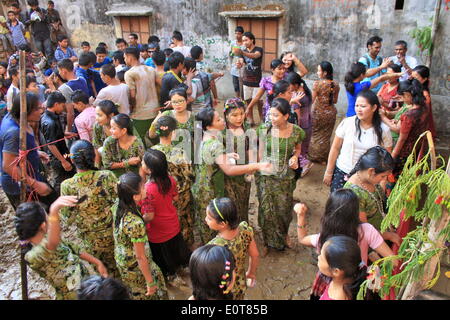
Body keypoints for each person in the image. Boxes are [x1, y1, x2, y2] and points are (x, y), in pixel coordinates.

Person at [295, 189, 396, 299]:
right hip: (356, 279)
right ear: (355, 212)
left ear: (329, 211)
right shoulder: (366, 230)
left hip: (331, 279)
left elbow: (303, 239)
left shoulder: (326, 237)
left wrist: (301, 216)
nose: (319, 257)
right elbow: (393, 260)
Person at [193, 107, 271, 244]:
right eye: (218, 119)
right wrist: (256, 166)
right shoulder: (215, 144)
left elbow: (210, 158)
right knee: (212, 224)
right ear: (209, 126)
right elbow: (229, 169)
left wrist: (225, 156)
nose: (222, 120)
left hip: (202, 187)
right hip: (209, 190)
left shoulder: (206, 137)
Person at [15, 197, 108, 300]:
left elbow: (75, 250)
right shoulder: (32, 256)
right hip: (73, 295)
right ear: (43, 225)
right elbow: (51, 244)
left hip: (86, 282)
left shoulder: (50, 237)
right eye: (48, 218)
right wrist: (54, 211)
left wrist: (98, 262)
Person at [60, 140, 120, 278]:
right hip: (114, 233)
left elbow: (67, 219)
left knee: (105, 273)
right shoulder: (106, 176)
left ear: (72, 160)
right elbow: (119, 201)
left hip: (91, 241)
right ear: (94, 156)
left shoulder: (67, 186)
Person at [256, 98, 304, 252]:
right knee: (266, 209)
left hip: (285, 178)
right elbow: (260, 152)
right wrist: (258, 169)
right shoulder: (264, 129)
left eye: (275, 115)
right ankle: (266, 241)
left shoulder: (296, 131)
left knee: (283, 210)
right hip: (266, 177)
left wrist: (295, 157)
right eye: (270, 115)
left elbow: (297, 149)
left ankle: (283, 235)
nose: (272, 119)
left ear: (286, 116)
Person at [112, 172, 168, 300]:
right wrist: (150, 282)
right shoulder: (135, 223)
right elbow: (140, 257)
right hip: (136, 267)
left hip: (123, 261)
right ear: (135, 196)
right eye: (143, 187)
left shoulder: (118, 205)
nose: (146, 188)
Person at [324, 90, 393, 192]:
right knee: (338, 204)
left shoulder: (384, 130)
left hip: (367, 178)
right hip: (342, 171)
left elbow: (386, 158)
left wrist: (382, 182)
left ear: (374, 108)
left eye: (363, 106)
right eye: (357, 106)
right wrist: (329, 171)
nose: (359, 109)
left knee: (359, 206)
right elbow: (335, 148)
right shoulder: (347, 123)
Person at [139, 149, 191, 283]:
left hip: (158, 233)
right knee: (177, 250)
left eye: (143, 162)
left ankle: (172, 275)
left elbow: (149, 216)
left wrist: (140, 220)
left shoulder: (147, 190)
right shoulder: (170, 180)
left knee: (164, 258)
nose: (141, 163)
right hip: (173, 225)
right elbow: (176, 197)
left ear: (149, 170)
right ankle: (184, 267)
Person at [0, 93, 56, 209]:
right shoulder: (13, 132)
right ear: (26, 111)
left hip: (32, 175)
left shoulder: (15, 118)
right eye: (37, 109)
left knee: (52, 205)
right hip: (21, 185)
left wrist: (34, 153)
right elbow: (8, 166)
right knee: (36, 221)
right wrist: (35, 185)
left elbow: (18, 150)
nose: (41, 111)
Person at [150, 116, 194, 247]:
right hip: (180, 195)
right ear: (173, 132)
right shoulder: (179, 152)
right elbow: (190, 175)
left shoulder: (152, 152)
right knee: (184, 222)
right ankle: (186, 249)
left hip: (160, 195)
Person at [344, 147, 400, 243]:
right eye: (383, 176)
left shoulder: (370, 180)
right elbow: (364, 231)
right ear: (371, 171)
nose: (384, 179)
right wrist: (390, 236)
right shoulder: (354, 194)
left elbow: (379, 205)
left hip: (381, 231)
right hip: (371, 243)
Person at [206, 197, 259, 300]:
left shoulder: (214, 247)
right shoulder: (244, 229)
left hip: (225, 290)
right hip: (240, 282)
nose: (205, 220)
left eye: (209, 218)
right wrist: (251, 273)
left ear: (222, 224)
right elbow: (255, 255)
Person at [222, 98, 253, 223]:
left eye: (242, 114)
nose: (239, 118)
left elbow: (250, 146)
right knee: (230, 203)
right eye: (234, 115)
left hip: (244, 171)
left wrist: (251, 165)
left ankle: (243, 224)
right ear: (226, 115)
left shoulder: (246, 126)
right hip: (227, 175)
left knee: (244, 199)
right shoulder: (221, 131)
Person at [391, 80, 429, 175]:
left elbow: (402, 139)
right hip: (416, 148)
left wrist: (393, 156)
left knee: (396, 178)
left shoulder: (409, 115)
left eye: (402, 97)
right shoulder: (424, 107)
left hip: (404, 152)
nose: (403, 100)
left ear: (407, 94)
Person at [40, 91, 76, 194]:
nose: (63, 108)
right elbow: (51, 144)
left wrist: (65, 134)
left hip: (64, 152)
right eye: (62, 106)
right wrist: (63, 161)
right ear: (56, 105)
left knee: (71, 171)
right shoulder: (49, 122)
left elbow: (55, 135)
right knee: (60, 180)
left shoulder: (53, 116)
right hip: (58, 157)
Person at [124, 47, 159, 145]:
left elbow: (132, 95)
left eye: (125, 57)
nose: (124, 60)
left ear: (129, 57)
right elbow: (159, 85)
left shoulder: (129, 73)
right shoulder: (151, 69)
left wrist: (131, 108)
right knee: (156, 139)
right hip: (155, 110)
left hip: (140, 113)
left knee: (141, 142)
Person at [308, 61, 341, 164]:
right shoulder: (335, 85)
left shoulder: (317, 84)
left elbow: (312, 100)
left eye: (319, 70)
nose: (317, 72)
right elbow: (335, 101)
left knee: (314, 134)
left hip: (318, 113)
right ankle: (323, 159)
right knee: (326, 137)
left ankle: (313, 156)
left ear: (325, 73)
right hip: (331, 113)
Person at [317, 236, 368, 300]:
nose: (318, 257)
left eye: (322, 258)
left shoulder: (338, 297)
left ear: (336, 271)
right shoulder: (352, 279)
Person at [150, 88, 195, 152]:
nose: (177, 104)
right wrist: (154, 123)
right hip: (170, 154)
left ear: (186, 101)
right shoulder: (167, 115)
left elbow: (198, 139)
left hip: (189, 153)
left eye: (181, 101)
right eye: (174, 102)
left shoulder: (194, 117)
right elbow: (152, 135)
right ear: (171, 102)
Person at [286, 72, 314, 177]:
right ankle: (305, 163)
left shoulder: (297, 96)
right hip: (308, 122)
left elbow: (297, 116)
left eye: (290, 85)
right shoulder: (306, 91)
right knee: (304, 147)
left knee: (299, 149)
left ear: (296, 85)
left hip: (301, 125)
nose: (289, 87)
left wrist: (296, 129)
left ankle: (305, 165)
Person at [102, 113, 145, 178]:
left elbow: (141, 165)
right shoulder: (108, 142)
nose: (110, 130)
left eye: (113, 128)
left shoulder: (137, 142)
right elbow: (107, 165)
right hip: (115, 178)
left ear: (124, 130)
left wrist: (141, 184)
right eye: (110, 127)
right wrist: (127, 163)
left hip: (133, 180)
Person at [245, 59, 286, 123]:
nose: (283, 71)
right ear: (272, 69)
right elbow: (257, 96)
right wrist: (249, 107)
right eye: (280, 69)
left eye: (284, 69)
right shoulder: (266, 81)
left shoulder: (286, 80)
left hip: (284, 109)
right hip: (270, 110)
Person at [235, 32, 263, 123]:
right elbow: (242, 61)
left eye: (246, 40)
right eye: (243, 41)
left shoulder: (259, 49)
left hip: (257, 82)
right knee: (248, 101)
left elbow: (255, 56)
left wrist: (242, 52)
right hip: (246, 81)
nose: (244, 42)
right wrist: (239, 64)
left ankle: (262, 120)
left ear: (252, 40)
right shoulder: (242, 51)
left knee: (259, 102)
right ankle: (251, 120)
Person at [92, 100, 119, 167]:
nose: (96, 118)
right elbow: (96, 146)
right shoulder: (98, 126)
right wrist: (97, 166)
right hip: (108, 164)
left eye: (100, 115)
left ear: (111, 115)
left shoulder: (123, 124)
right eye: (96, 114)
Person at [412, 65, 436, 138]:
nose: (413, 80)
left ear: (424, 79)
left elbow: (424, 114)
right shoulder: (415, 89)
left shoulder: (425, 94)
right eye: (412, 78)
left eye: (415, 78)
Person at [229, 26, 245, 98]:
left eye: (238, 34)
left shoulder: (245, 44)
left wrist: (240, 53)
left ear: (242, 34)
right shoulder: (233, 43)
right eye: (235, 33)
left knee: (243, 86)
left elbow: (247, 56)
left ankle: (243, 100)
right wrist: (230, 65)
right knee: (236, 85)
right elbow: (230, 54)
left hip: (243, 67)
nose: (237, 36)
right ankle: (237, 99)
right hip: (234, 67)